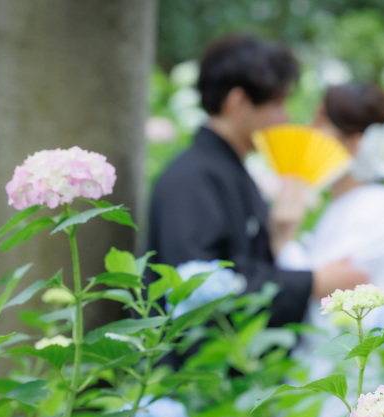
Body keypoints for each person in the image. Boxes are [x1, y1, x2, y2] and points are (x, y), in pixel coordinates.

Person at [147, 35, 368, 327]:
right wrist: (313, 283)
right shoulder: (192, 179)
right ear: (238, 102)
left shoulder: (222, 169)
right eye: (277, 104)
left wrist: (281, 237)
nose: (284, 117)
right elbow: (200, 287)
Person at [276, 83, 384, 378]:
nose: (307, 131)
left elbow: (329, 331)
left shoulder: (370, 225)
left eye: (319, 121)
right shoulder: (350, 213)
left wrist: (284, 245)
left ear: (354, 143)